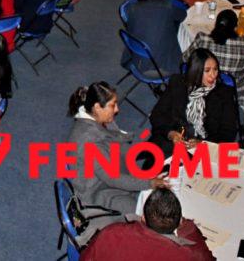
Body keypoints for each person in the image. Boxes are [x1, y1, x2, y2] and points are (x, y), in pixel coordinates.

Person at [66, 82, 165, 218]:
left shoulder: (101, 118)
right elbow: (113, 178)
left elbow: (120, 146)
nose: (117, 109)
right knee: (145, 216)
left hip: (107, 175)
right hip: (97, 192)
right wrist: (149, 182)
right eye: (113, 105)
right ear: (97, 107)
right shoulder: (88, 141)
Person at [81, 187, 215, 261]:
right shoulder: (186, 255)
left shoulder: (112, 233)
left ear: (143, 217)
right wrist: (189, 230)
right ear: (178, 222)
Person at [150, 49, 239, 156]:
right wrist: (171, 133)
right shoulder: (177, 83)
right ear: (196, 71)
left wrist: (203, 144)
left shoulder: (224, 93)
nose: (213, 75)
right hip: (174, 141)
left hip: (206, 146)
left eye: (215, 69)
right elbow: (157, 115)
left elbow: (229, 131)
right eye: (207, 71)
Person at [182, 9, 244, 109]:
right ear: (235, 27)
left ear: (216, 24)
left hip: (202, 93)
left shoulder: (202, 39)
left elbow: (185, 58)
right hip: (233, 98)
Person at [123, 0, 187, 77]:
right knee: (178, 26)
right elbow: (183, 15)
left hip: (137, 63)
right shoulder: (167, 6)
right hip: (164, 69)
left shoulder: (130, 8)